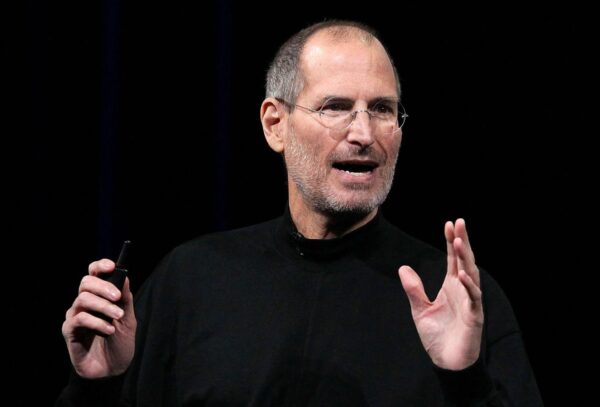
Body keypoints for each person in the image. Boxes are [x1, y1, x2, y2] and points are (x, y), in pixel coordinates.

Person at [57, 20, 542, 406]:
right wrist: (96, 386)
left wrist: (465, 382)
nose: (363, 134)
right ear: (276, 124)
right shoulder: (192, 280)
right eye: (335, 107)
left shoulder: (455, 298)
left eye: (382, 109)